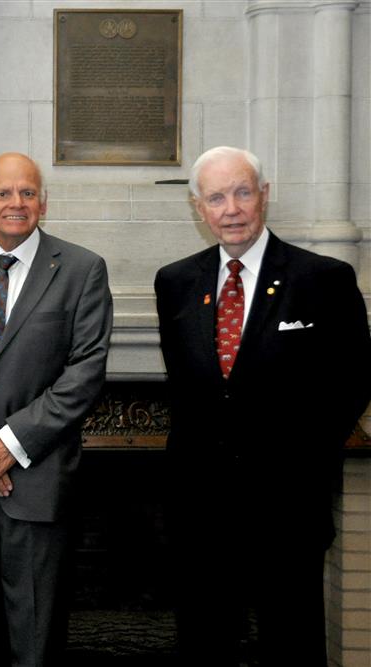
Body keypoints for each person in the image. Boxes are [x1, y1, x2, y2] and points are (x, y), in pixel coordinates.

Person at [154, 146, 371, 666]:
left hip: (288, 509)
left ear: (264, 195)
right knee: (204, 646)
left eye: (242, 193)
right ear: (199, 208)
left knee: (291, 645)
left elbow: (354, 381)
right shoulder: (175, 282)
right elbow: (187, 388)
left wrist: (302, 461)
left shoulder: (323, 278)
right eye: (216, 198)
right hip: (201, 513)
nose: (231, 209)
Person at [0, 152, 113, 666]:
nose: (16, 203)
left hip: (38, 487)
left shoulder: (81, 269)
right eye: (4, 193)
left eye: (28, 193)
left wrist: (8, 446)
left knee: (34, 645)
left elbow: (84, 373)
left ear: (44, 203)